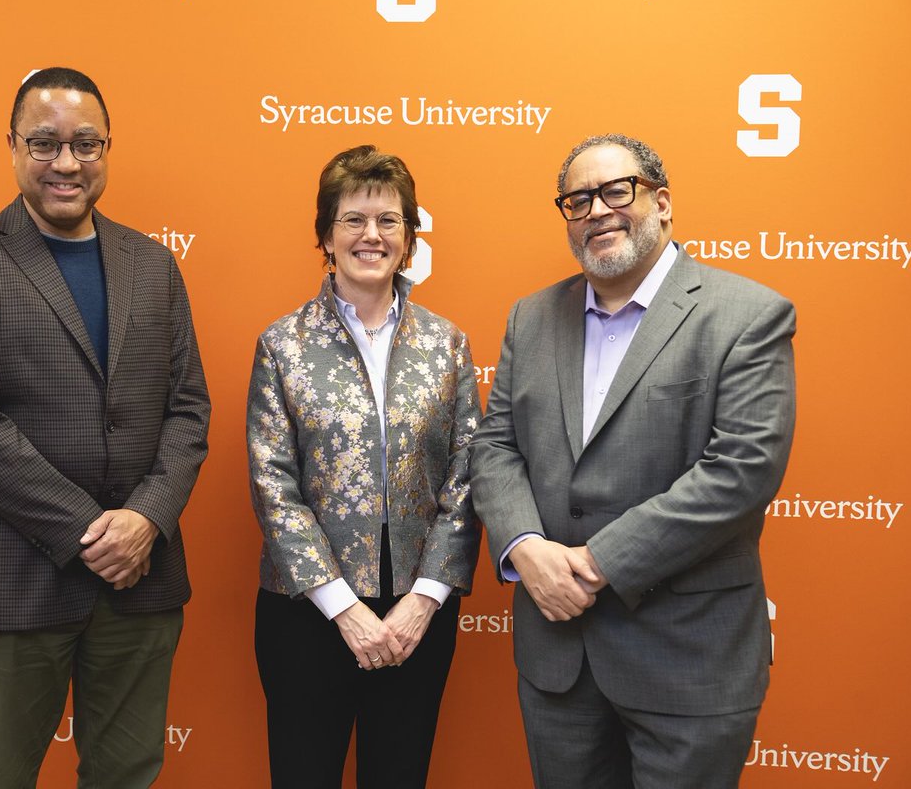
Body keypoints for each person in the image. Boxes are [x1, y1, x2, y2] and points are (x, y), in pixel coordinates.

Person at [470, 133, 796, 789]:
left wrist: (594, 564)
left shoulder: (747, 315)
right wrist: (526, 546)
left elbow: (741, 470)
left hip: (687, 660)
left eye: (617, 191)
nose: (597, 211)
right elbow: (495, 445)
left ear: (663, 202)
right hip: (559, 662)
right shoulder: (531, 318)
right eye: (578, 199)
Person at [0, 67, 210, 788]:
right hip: (18, 576)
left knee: (128, 775)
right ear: (13, 146)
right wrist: (92, 531)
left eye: (86, 143)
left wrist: (144, 519)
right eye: (45, 143)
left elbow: (188, 410)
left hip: (140, 578)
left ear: (107, 148)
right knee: (3, 777)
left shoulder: (154, 264)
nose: (67, 163)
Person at [246, 145, 481, 789]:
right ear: (325, 234)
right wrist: (343, 607)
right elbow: (274, 486)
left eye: (389, 221)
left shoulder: (448, 344)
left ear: (409, 237)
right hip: (308, 616)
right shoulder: (282, 345)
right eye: (352, 219)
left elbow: (468, 475)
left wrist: (424, 600)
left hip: (417, 620)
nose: (370, 235)